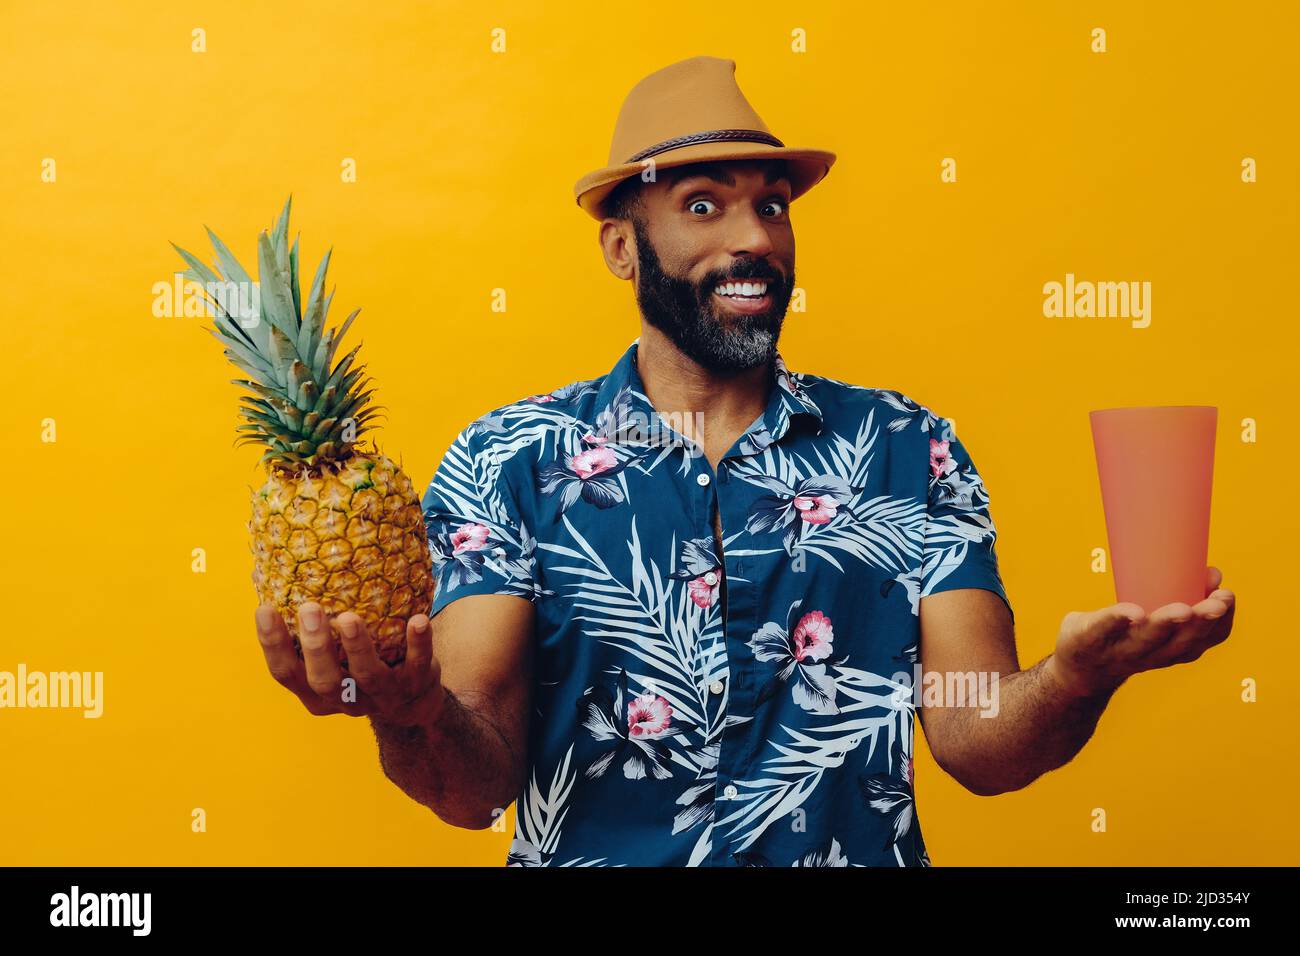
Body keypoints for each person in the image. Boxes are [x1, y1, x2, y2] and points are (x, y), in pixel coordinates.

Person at [253, 56, 1236, 867]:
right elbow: (474, 782)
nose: (754, 238)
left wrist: (1072, 676)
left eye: (772, 204)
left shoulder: (907, 445)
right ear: (620, 248)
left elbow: (976, 740)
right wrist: (406, 709)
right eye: (702, 206)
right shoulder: (509, 459)